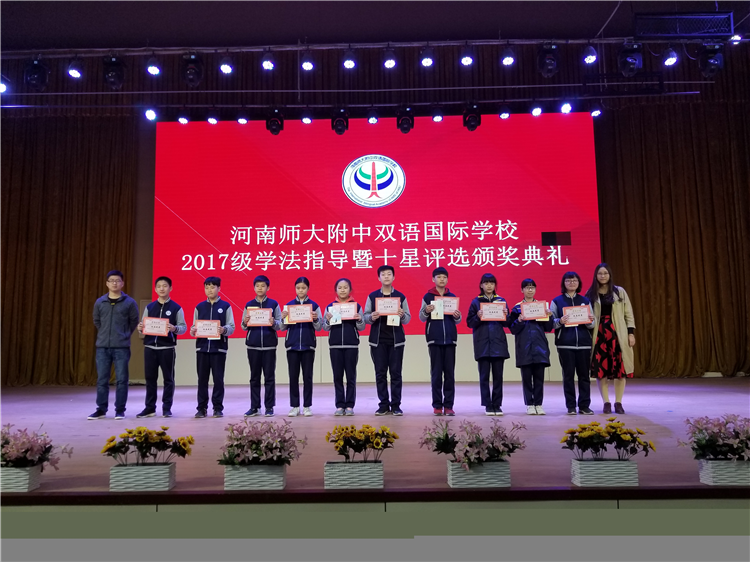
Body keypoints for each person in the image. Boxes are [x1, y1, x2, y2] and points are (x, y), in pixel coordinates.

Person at [584, 263, 636, 414]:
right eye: (600, 273)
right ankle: (606, 402)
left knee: (620, 370)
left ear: (610, 275)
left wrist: (631, 333)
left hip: (617, 334)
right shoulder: (590, 293)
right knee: (601, 371)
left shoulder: (619, 292)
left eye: (605, 273)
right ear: (596, 276)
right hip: (598, 335)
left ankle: (618, 402)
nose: (603, 276)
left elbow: (628, 313)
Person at [88, 270, 139, 420]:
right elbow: (97, 321)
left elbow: (133, 322)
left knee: (122, 380)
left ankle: (120, 410)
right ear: (107, 283)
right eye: (111, 281)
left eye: (117, 281)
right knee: (102, 380)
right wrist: (105, 334)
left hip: (121, 347)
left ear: (122, 283)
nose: (114, 283)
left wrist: (123, 334)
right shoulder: (100, 302)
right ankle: (101, 410)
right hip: (102, 347)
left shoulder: (129, 302)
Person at [136, 276, 187, 418]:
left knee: (168, 379)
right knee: (150, 379)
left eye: (165, 286)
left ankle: (166, 408)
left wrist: (174, 328)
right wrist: (140, 328)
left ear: (170, 288)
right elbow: (143, 327)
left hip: (167, 349)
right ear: (155, 289)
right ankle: (150, 408)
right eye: (159, 286)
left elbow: (183, 328)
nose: (162, 289)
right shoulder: (149, 307)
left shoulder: (176, 308)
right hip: (150, 348)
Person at [364, 265, 411, 416]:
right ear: (379, 278)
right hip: (378, 342)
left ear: (393, 277)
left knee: (396, 374)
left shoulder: (400, 296)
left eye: (389, 274)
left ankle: (396, 405)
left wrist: (402, 315)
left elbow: (408, 318)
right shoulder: (372, 296)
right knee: (380, 374)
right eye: (383, 274)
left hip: (396, 341)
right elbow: (365, 317)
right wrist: (371, 317)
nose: (386, 276)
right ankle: (383, 404)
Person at [466, 273, 512, 416]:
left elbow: (507, 323)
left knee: (498, 377)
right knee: (484, 377)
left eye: (492, 283)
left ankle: (497, 404)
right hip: (482, 344)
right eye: (486, 283)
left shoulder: (501, 301)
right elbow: (469, 323)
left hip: (498, 343)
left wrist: (506, 315)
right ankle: (487, 405)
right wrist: (478, 316)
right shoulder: (475, 302)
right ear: (481, 285)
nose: (489, 286)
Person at [550, 272, 596, 416]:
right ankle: (570, 406)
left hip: (584, 343)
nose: (571, 283)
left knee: (584, 376)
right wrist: (560, 321)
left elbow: (592, 324)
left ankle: (584, 405)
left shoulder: (585, 301)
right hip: (565, 344)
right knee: (568, 376)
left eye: (574, 280)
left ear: (579, 283)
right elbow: (551, 323)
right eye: (568, 280)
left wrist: (590, 320)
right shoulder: (557, 301)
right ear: (564, 283)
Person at [189, 276, 235, 418]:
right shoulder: (199, 307)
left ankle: (217, 408)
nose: (209, 290)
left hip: (218, 349)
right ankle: (201, 408)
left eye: (213, 287)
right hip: (202, 348)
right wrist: (193, 330)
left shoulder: (226, 306)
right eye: (207, 287)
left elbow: (231, 327)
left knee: (218, 380)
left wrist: (224, 330)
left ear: (219, 288)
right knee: (202, 380)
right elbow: (194, 326)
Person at [419, 267, 462, 416]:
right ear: (433, 279)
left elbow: (458, 320)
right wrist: (426, 311)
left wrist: (457, 316)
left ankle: (449, 405)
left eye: (444, 277)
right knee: (436, 374)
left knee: (450, 374)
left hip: (450, 339)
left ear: (447, 279)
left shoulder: (452, 297)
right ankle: (437, 405)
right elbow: (421, 317)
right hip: (434, 339)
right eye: (439, 277)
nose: (442, 279)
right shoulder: (427, 297)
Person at [509, 278, 554, 415]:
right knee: (527, 378)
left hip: (540, 347)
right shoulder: (517, 308)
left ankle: (538, 404)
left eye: (532, 287)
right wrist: (519, 321)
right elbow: (513, 329)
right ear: (521, 290)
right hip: (524, 347)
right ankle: (529, 404)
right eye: (527, 287)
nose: (530, 290)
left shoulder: (541, 307)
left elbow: (548, 328)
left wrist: (550, 316)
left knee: (539, 378)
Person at [322, 278, 365, 416]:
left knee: (351, 377)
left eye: (345, 287)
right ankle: (340, 405)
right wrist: (327, 320)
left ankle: (350, 405)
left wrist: (359, 319)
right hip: (335, 346)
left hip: (351, 345)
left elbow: (362, 327)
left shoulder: (356, 306)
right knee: (337, 377)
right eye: (340, 287)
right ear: (336, 290)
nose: (342, 290)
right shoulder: (330, 307)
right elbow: (325, 327)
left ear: (350, 290)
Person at [241, 275, 282, 418]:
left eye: (263, 286)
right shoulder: (249, 305)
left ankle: (269, 407)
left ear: (268, 288)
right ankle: (255, 407)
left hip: (269, 345)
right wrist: (245, 321)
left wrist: (273, 322)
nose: (260, 288)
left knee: (269, 377)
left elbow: (280, 325)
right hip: (253, 346)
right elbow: (243, 326)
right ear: (254, 288)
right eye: (257, 286)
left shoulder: (274, 304)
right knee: (254, 378)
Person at [281, 277, 322, 417]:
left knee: (308, 377)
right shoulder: (289, 306)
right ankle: (294, 406)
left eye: (303, 288)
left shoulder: (314, 306)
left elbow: (319, 327)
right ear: (295, 289)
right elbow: (282, 327)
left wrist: (316, 319)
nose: (301, 290)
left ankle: (307, 406)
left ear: (308, 289)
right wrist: (283, 318)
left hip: (308, 346)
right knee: (293, 377)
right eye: (298, 288)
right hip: (292, 346)